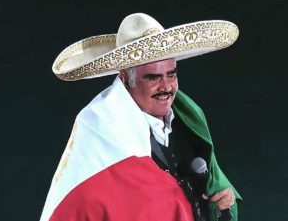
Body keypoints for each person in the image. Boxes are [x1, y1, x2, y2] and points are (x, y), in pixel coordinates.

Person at [40, 13, 242, 221]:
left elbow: (212, 190)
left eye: (171, 74)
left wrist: (222, 206)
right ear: (125, 80)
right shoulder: (101, 133)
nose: (166, 87)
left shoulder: (189, 120)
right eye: (153, 77)